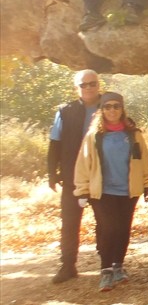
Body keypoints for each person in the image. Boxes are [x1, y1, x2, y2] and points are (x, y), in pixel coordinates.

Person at [72, 92, 148, 291]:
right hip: (103, 192)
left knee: (123, 228)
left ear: (122, 109)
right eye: (107, 106)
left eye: (116, 106)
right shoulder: (94, 136)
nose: (112, 110)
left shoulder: (133, 134)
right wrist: (82, 190)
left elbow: (143, 160)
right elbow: (83, 164)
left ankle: (118, 265)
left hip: (128, 190)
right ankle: (106, 270)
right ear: (101, 110)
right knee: (109, 228)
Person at [47, 69, 102, 283]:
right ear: (76, 88)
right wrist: (52, 173)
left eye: (92, 83)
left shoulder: (109, 106)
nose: (88, 88)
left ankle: (108, 264)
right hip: (72, 176)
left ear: (98, 84)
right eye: (83, 84)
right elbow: (55, 143)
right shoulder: (65, 111)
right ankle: (68, 265)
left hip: (102, 176)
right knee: (70, 222)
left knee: (105, 222)